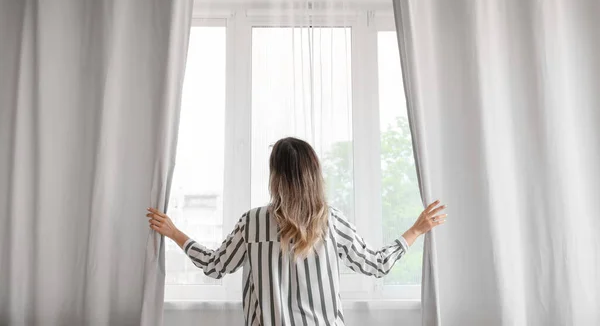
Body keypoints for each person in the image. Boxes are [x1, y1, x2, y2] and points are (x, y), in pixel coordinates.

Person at [147, 137, 446, 326]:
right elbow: (377, 264)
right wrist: (416, 230)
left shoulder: (252, 223)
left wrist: (174, 233)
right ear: (313, 176)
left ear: (275, 178)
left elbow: (214, 266)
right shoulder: (332, 222)